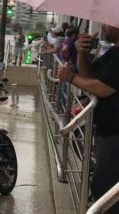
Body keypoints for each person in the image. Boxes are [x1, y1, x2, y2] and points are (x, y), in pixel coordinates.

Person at [58, 24, 119, 213]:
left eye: (108, 22)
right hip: (107, 132)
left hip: (115, 134)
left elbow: (103, 88)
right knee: (103, 185)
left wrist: (70, 78)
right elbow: (90, 76)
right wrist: (82, 53)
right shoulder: (113, 52)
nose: (103, 26)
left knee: (105, 188)